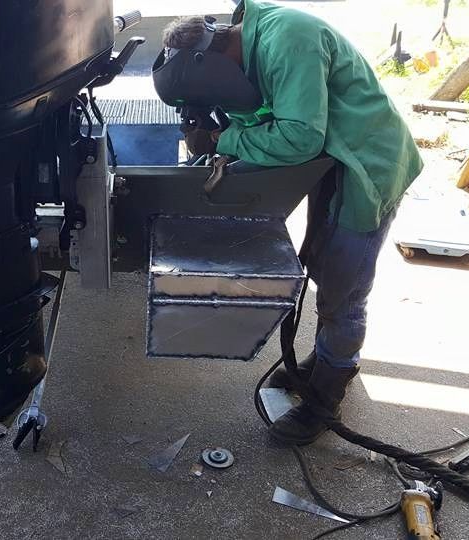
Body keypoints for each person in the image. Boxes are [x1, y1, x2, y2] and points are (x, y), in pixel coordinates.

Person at [159, 1, 423, 446]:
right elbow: (256, 117)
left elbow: (299, 136)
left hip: (365, 161)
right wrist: (216, 141)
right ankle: (323, 361)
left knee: (343, 287)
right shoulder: (242, 50)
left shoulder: (288, 40)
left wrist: (224, 139)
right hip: (329, 157)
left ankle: (325, 398)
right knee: (320, 262)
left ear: (217, 68)